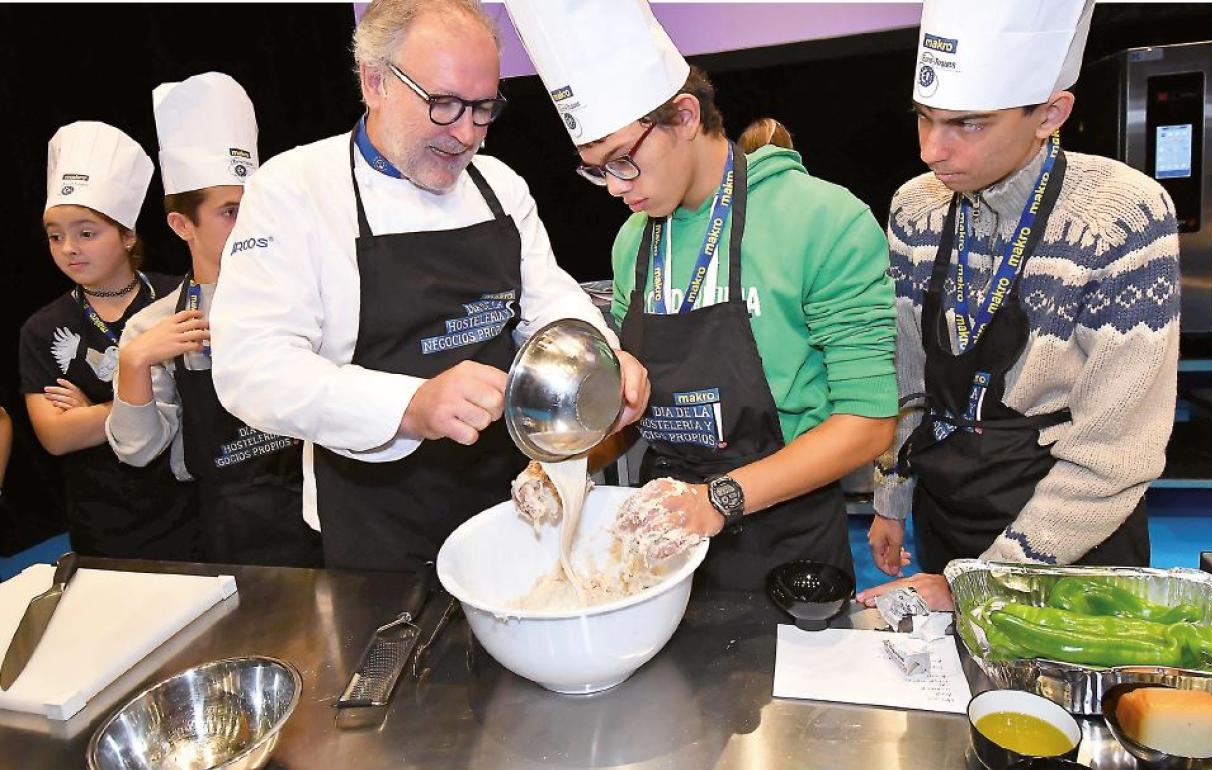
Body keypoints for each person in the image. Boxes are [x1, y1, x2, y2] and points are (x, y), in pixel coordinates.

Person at [209, 0, 649, 572]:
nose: (467, 134)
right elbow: (252, 368)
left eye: (483, 108)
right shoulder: (296, 189)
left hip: (513, 500)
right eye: (443, 105)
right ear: (375, 82)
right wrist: (412, 405)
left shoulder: (499, 185)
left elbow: (551, 300)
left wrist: (603, 360)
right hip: (379, 522)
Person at [505, 0, 898, 590]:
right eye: (595, 169)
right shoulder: (632, 241)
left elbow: (867, 422)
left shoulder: (822, 220)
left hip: (788, 548)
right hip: (662, 540)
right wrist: (569, 464)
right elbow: (637, 413)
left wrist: (717, 500)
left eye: (621, 162)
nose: (613, 188)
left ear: (684, 116)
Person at [860, 0, 1180, 611]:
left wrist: (982, 582)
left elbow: (1115, 452)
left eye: (968, 124)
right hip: (948, 513)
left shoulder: (1122, 217)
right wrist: (891, 498)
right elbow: (906, 376)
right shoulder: (916, 209)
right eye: (924, 119)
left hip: (1072, 543)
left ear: (1050, 114)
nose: (933, 150)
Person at [106, 73, 321, 567]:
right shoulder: (154, 327)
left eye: (255, 208)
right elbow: (138, 451)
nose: (249, 225)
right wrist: (134, 361)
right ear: (181, 224)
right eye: (229, 212)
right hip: (234, 532)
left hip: (322, 504)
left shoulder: (309, 293)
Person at [19, 121, 199, 560]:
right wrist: (147, 406)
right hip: (106, 527)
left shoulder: (181, 297)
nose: (68, 249)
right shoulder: (42, 329)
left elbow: (213, 408)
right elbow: (56, 438)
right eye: (55, 236)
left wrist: (92, 414)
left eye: (86, 232)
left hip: (196, 513)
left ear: (127, 234)